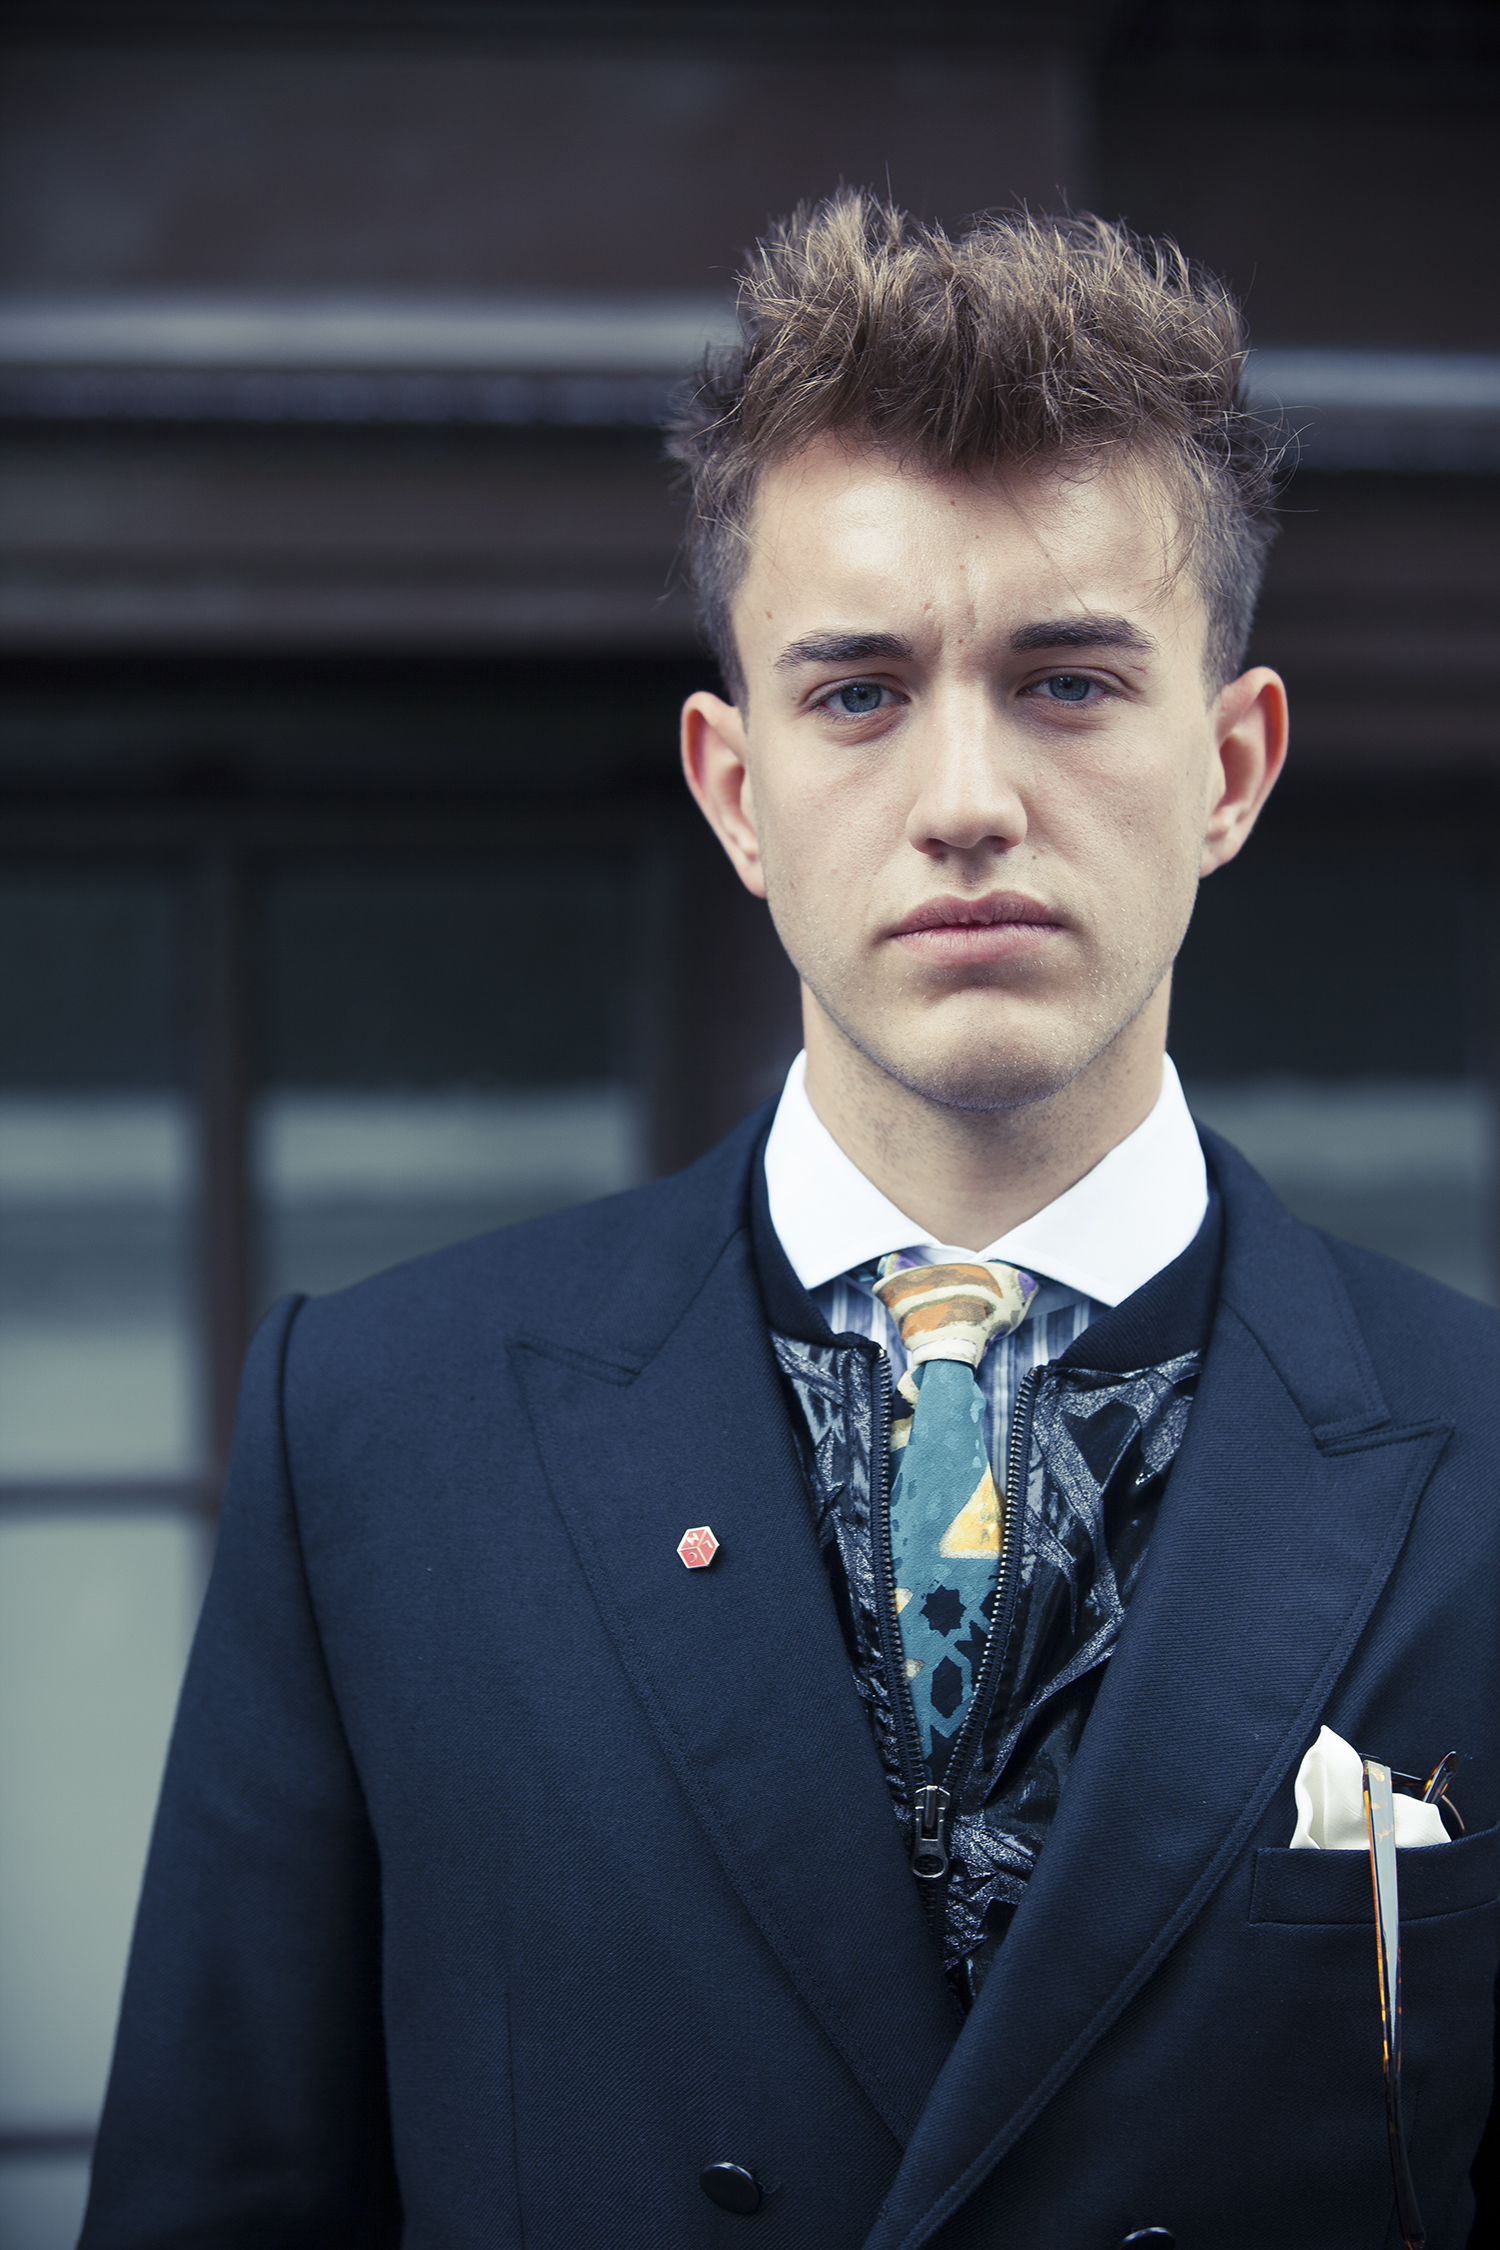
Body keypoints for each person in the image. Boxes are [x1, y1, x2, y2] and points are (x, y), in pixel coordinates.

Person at [81, 193, 1498, 2250]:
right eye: (858, 693)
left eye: (1068, 681)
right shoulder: (378, 1433)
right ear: (735, 788)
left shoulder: (1486, 1458)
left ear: (1232, 762)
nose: (966, 798)